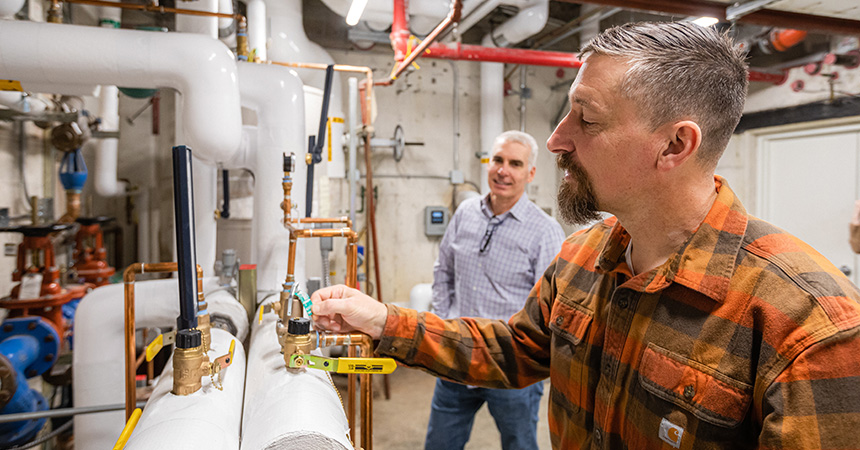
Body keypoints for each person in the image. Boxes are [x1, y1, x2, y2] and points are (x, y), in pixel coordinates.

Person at [311, 22, 860, 449]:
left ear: (674, 146)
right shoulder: (581, 257)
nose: (555, 141)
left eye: (585, 119)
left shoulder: (808, 326)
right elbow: (517, 349)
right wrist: (384, 321)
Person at [426, 130, 564, 450]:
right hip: (456, 353)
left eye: (515, 163)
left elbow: (549, 306)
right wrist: (443, 321)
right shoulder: (466, 213)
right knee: (439, 443)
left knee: (519, 444)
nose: (503, 170)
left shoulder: (545, 232)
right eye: (498, 160)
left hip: (510, 365)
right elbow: (443, 271)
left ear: (530, 174)